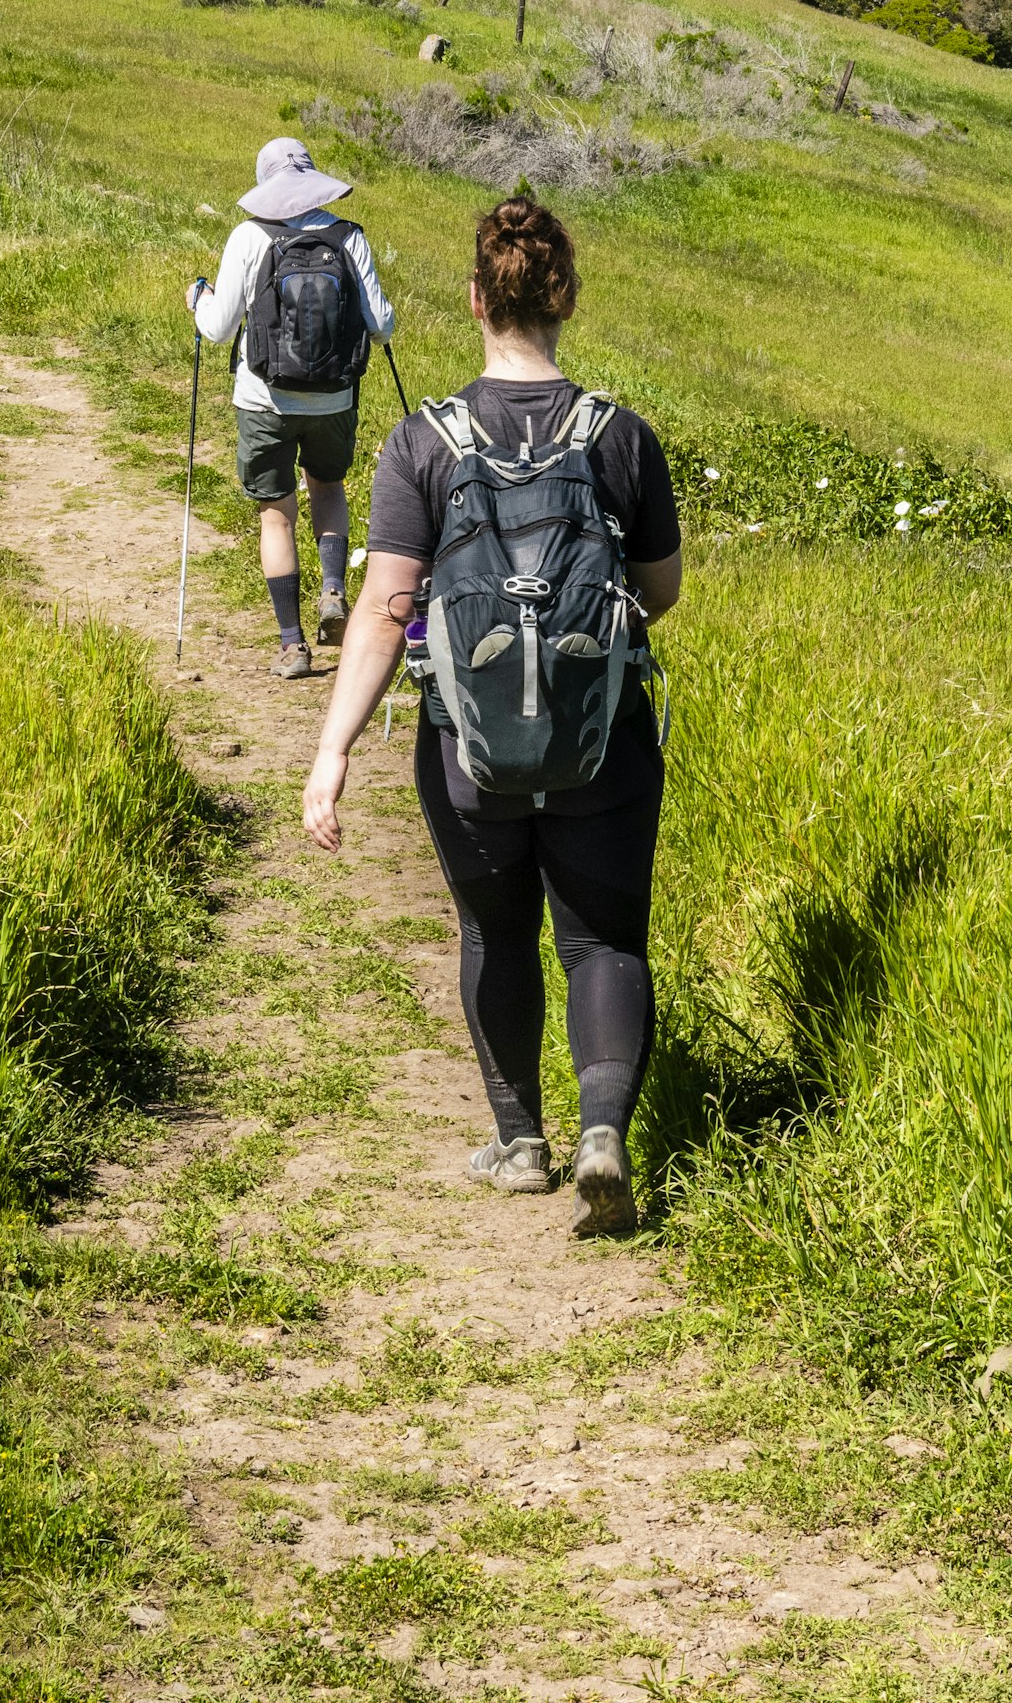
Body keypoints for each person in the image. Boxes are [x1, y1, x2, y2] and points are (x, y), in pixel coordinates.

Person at [302, 197, 681, 1238]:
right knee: (602, 938)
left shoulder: (422, 442)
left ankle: (520, 1144)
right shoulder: (621, 437)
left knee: (495, 929)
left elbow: (386, 614)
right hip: (601, 736)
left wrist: (330, 754)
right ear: (564, 299)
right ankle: (604, 1130)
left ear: (476, 298)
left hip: (466, 750)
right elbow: (659, 589)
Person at [189, 138, 396, 675]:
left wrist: (198, 299)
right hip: (334, 398)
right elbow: (383, 326)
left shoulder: (249, 236)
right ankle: (332, 592)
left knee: (275, 516)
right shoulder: (348, 237)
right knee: (328, 488)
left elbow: (216, 330)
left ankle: (291, 646)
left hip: (263, 397)